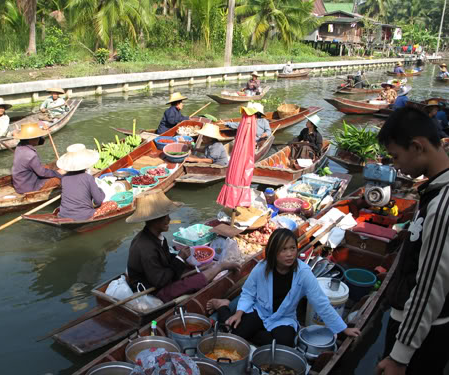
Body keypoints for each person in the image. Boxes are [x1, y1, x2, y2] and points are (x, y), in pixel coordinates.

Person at [375, 107, 449, 375]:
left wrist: (399, 357)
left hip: (421, 336)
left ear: (417, 147)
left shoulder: (442, 207)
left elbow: (429, 287)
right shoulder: (435, 190)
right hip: (419, 328)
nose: (395, 165)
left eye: (396, 156)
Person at [206, 229, 360, 347]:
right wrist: (239, 313)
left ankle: (251, 331)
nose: (289, 254)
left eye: (292, 248)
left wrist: (343, 329)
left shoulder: (303, 273)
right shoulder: (262, 268)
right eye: (283, 250)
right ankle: (223, 307)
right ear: (274, 252)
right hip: (259, 311)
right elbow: (248, 293)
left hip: (284, 318)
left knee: (285, 344)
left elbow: (321, 303)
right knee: (235, 332)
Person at [126, 189, 239, 303]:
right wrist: (180, 258)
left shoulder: (157, 237)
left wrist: (181, 259)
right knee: (192, 282)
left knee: (192, 269)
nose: (169, 219)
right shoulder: (146, 248)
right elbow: (160, 281)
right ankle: (221, 266)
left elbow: (166, 260)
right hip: (152, 289)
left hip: (161, 276)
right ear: (153, 220)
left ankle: (210, 268)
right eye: (165, 216)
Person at [57, 143, 118, 221]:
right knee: (113, 204)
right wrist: (101, 192)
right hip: (84, 216)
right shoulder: (88, 178)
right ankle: (90, 220)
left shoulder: (64, 179)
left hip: (63, 215)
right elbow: (98, 201)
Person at [12, 123, 65, 194]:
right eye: (37, 137)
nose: (39, 138)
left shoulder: (20, 146)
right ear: (31, 139)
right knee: (58, 179)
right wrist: (58, 173)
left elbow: (39, 142)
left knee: (48, 167)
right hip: (29, 187)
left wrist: (44, 130)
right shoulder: (30, 154)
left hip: (20, 184)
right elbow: (42, 173)